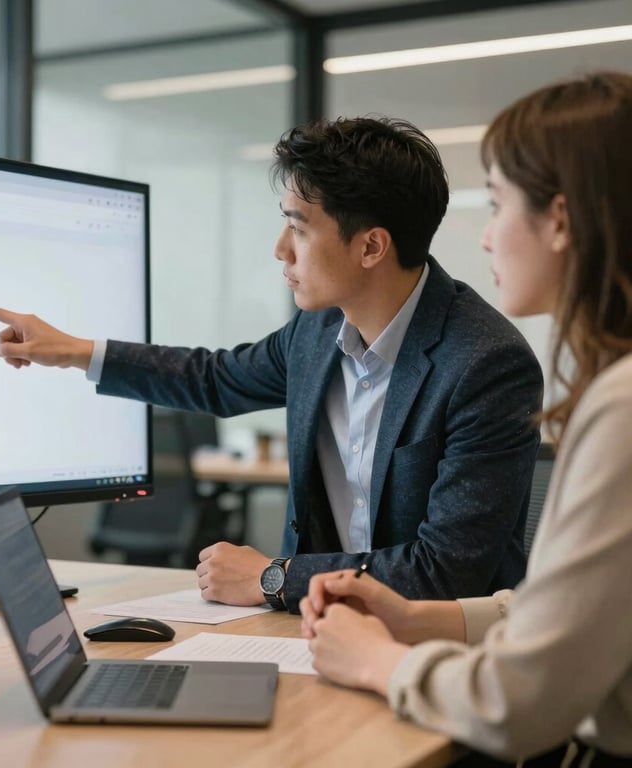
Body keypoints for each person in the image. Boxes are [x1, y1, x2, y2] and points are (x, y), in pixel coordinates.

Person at [0, 115, 542, 613]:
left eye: (297, 227)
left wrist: (273, 578)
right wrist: (73, 351)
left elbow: (446, 573)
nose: (280, 250)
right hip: (320, 635)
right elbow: (216, 378)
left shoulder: (486, 364)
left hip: (439, 656)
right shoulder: (317, 332)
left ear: (371, 247)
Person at [299, 72, 632, 765]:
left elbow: (520, 702)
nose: (483, 240)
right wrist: (424, 619)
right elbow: (585, 613)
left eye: (499, 204)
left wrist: (376, 660)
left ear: (562, 220)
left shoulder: (621, 405)